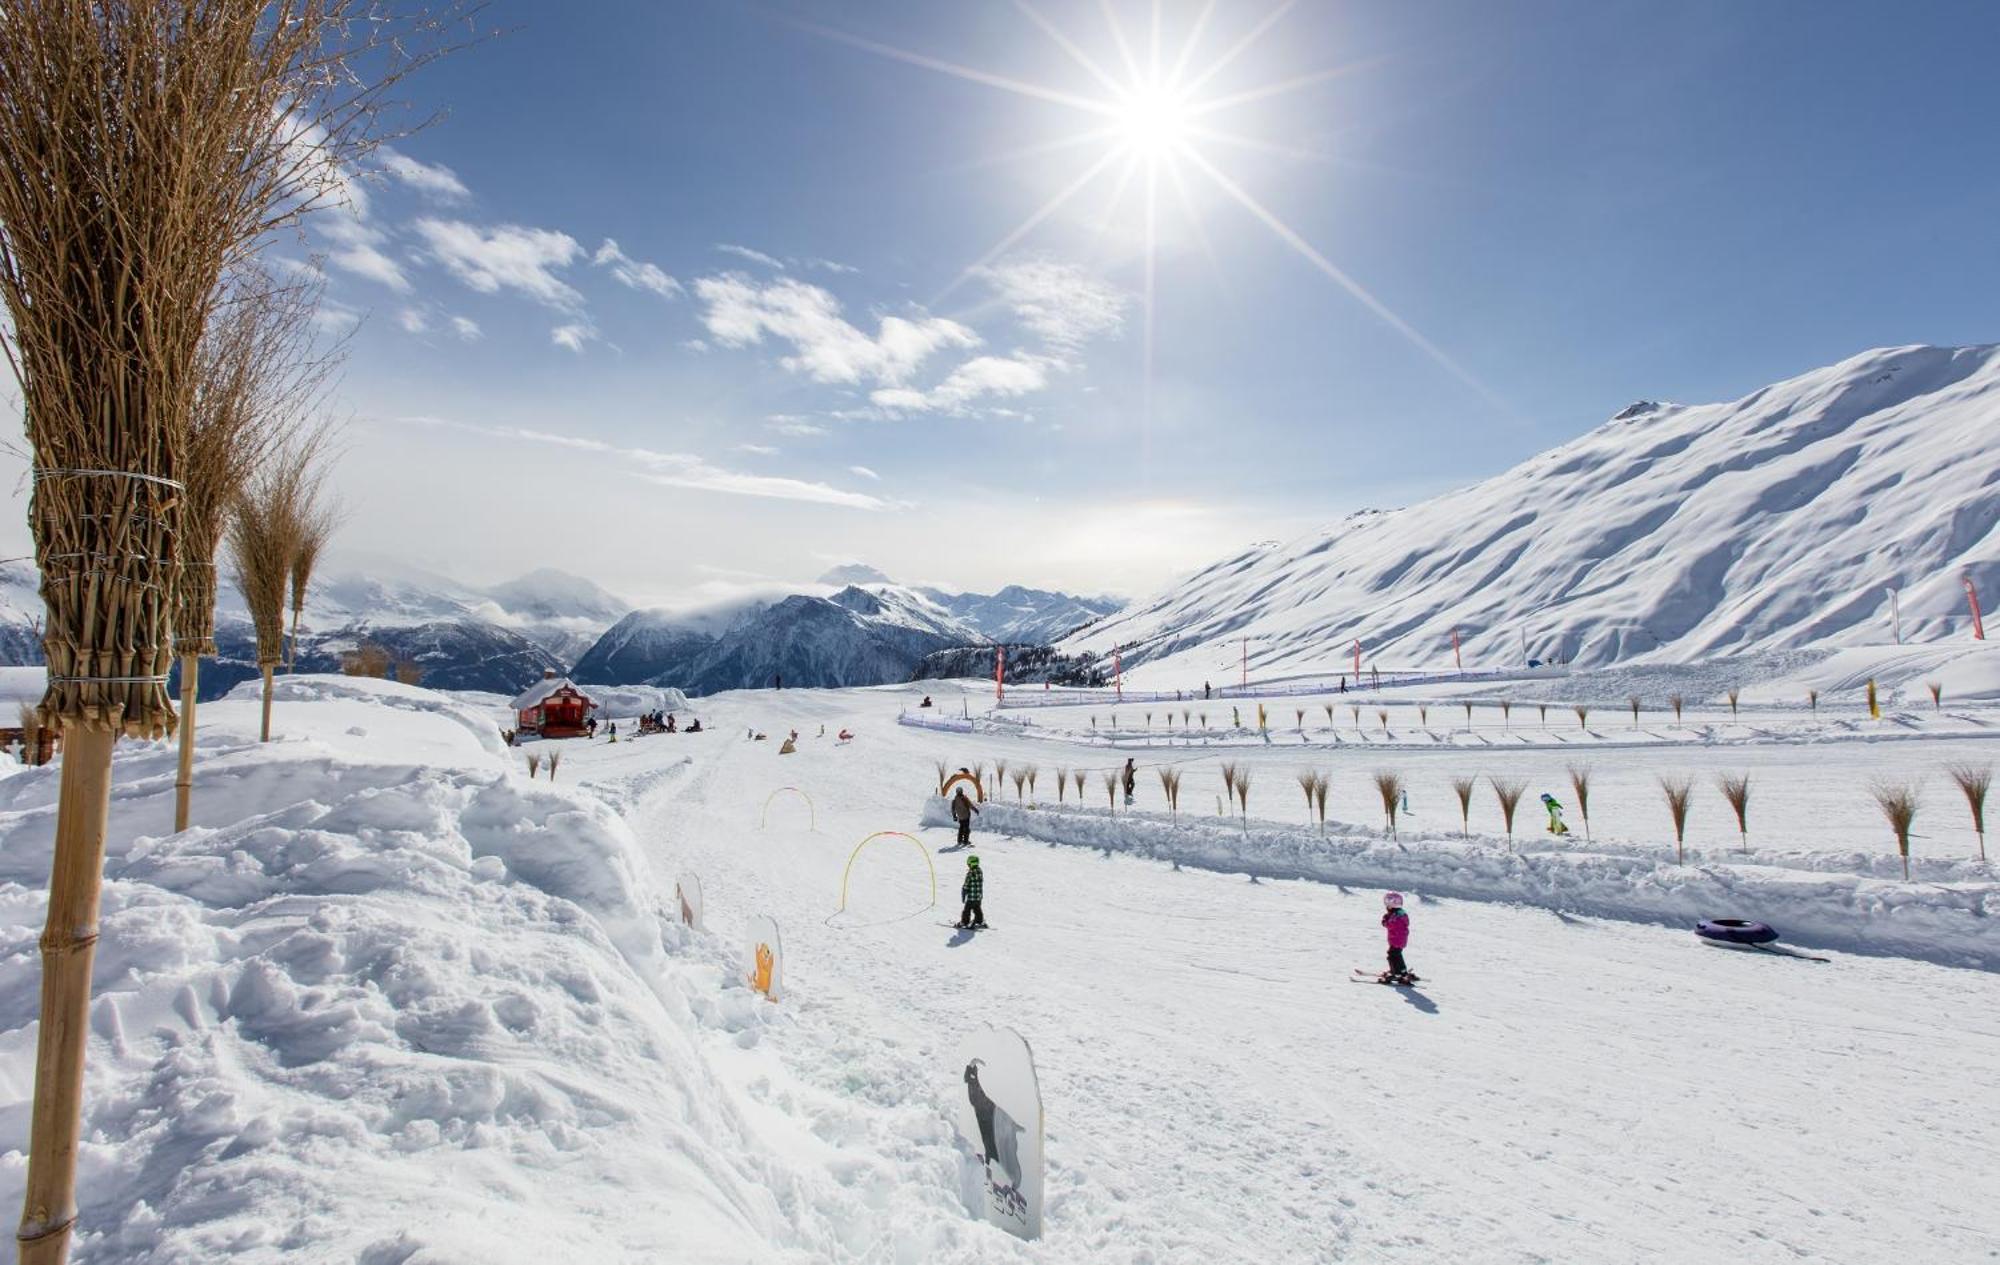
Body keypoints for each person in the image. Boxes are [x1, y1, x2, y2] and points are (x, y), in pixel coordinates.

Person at [1380, 892, 1415, 984]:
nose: (1386, 906)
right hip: (1400, 939)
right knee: (1397, 955)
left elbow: (1388, 924)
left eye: (1387, 903)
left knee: (1392, 955)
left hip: (1396, 939)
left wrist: (1385, 919)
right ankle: (1403, 972)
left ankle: (1395, 973)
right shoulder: (1400, 913)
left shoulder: (1395, 915)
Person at [957, 855, 986, 929]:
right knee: (977, 908)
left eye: (968, 864)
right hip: (979, 896)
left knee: (967, 910)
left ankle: (964, 922)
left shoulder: (970, 873)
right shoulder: (980, 871)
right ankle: (979, 920)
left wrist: (964, 891)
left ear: (970, 864)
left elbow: (966, 884)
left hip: (971, 897)